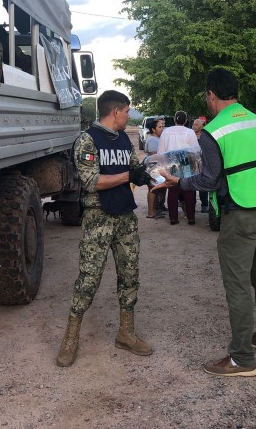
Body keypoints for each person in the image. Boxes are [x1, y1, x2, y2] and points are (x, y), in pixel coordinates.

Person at [157, 68, 256, 377]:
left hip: (240, 210)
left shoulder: (214, 130)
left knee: (237, 285)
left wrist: (179, 183)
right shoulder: (254, 119)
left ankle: (241, 359)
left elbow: (210, 180)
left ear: (211, 95)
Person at [56, 90, 155, 367]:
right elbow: (91, 181)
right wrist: (129, 176)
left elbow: (136, 168)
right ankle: (70, 338)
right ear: (116, 111)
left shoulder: (123, 138)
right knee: (88, 279)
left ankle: (126, 332)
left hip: (125, 217)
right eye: (126, 111)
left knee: (130, 275)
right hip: (98, 218)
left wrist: (154, 177)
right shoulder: (88, 140)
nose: (127, 116)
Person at [158, 110, 200, 225]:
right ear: (186, 120)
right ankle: (191, 218)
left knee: (173, 191)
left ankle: (173, 218)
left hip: (171, 165)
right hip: (186, 165)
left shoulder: (166, 132)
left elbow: (161, 151)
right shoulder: (190, 132)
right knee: (189, 191)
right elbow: (196, 151)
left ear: (174, 119)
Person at [144, 118, 165, 219]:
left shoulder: (157, 138)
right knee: (153, 188)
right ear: (153, 129)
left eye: (162, 127)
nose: (162, 128)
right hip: (153, 167)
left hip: (157, 167)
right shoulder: (152, 140)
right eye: (159, 127)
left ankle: (157, 208)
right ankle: (151, 212)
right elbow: (153, 156)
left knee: (157, 189)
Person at [191, 117, 210, 213]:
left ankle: (204, 205)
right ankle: (191, 205)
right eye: (193, 124)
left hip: (203, 165)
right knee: (192, 184)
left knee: (203, 185)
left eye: (196, 125)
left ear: (203, 126)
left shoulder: (205, 137)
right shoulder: (189, 136)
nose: (194, 126)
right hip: (192, 164)